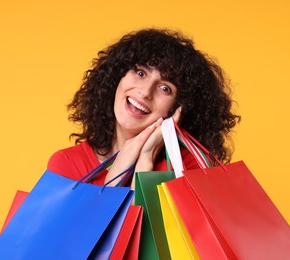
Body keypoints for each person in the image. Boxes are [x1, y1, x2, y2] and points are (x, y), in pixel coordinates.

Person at [47, 28, 240, 187]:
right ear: (117, 77)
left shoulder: (189, 168)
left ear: (178, 108)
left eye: (165, 88)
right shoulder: (67, 165)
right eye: (140, 73)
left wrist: (146, 159)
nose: (146, 92)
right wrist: (118, 172)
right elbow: (88, 234)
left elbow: (150, 233)